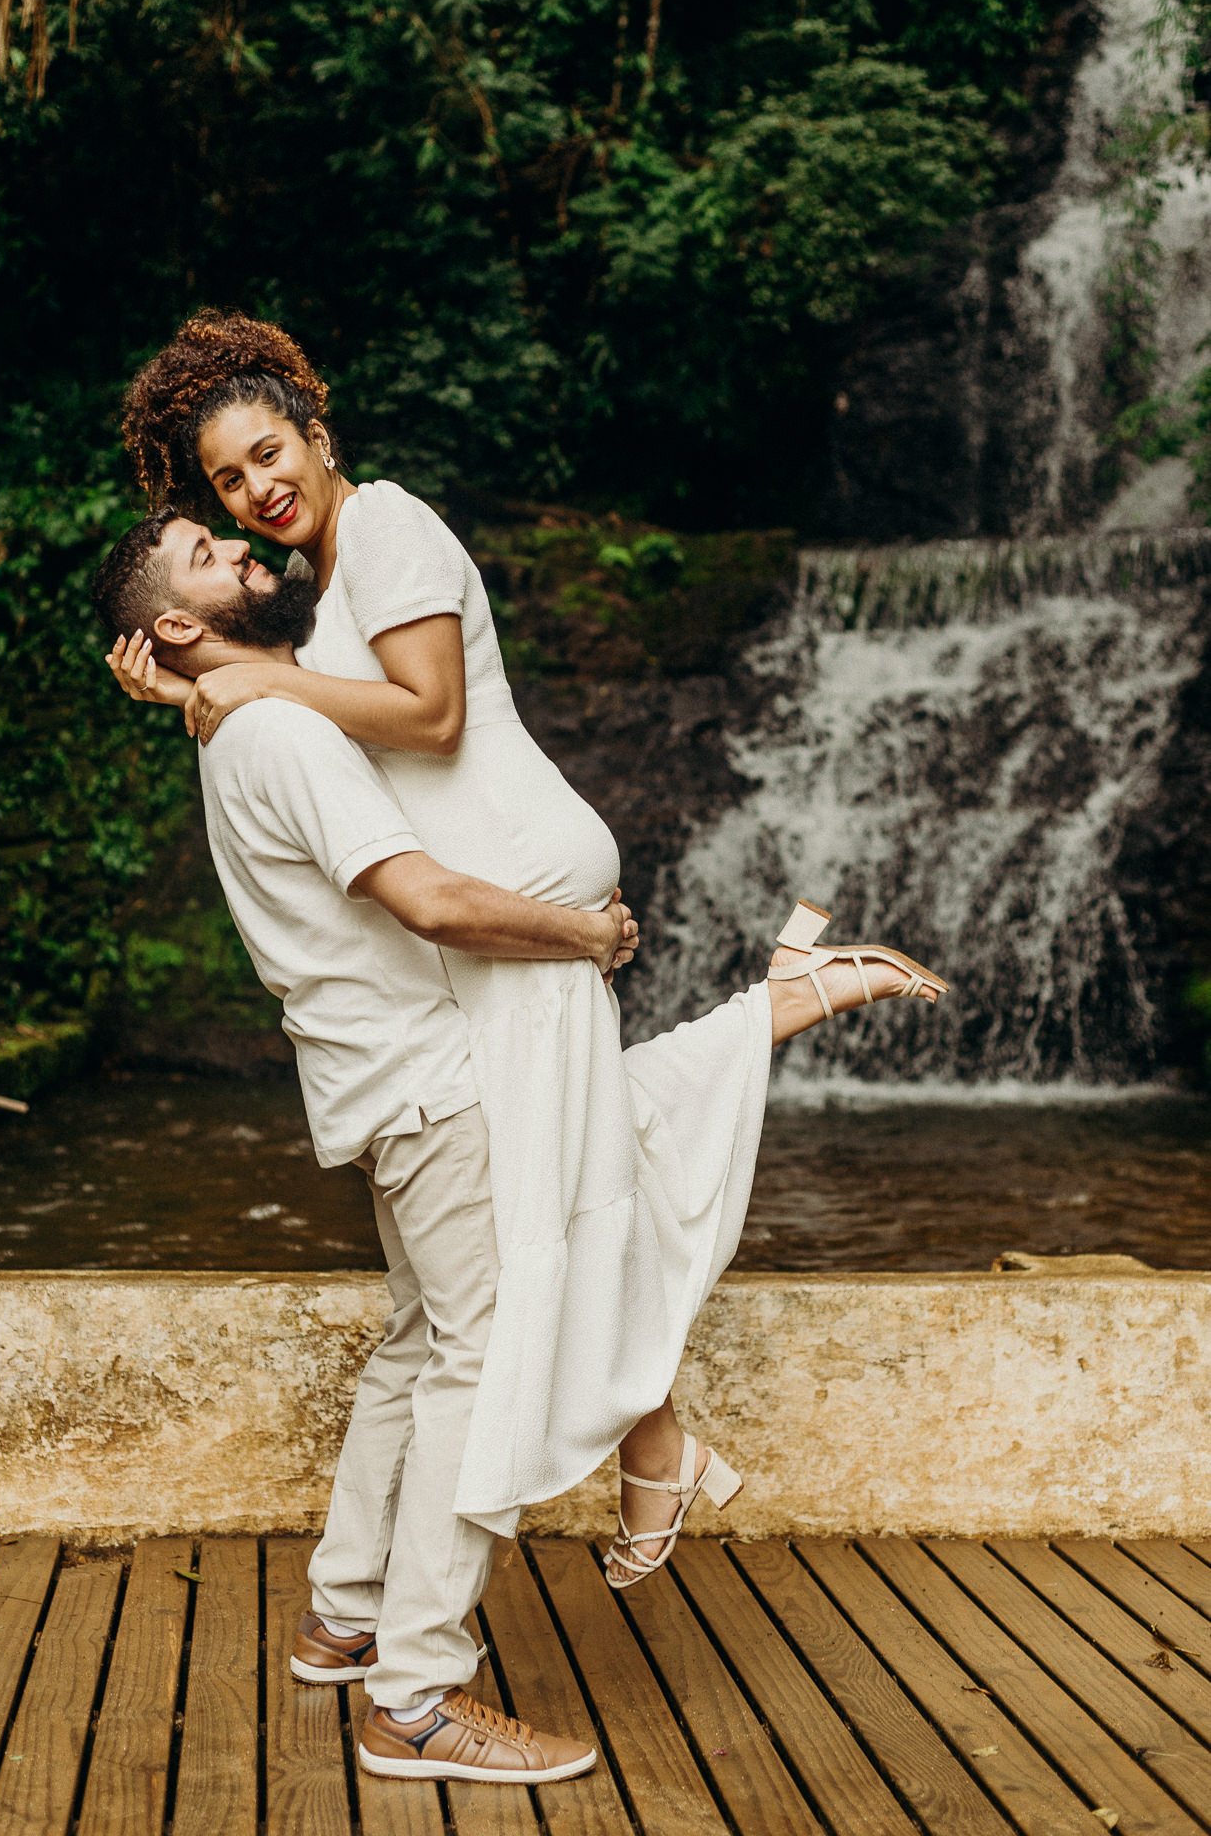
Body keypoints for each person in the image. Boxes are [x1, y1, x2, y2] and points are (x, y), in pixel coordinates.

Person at [92, 505, 948, 1780]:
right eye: (210, 556)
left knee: (422, 1336)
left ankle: (345, 1613)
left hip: (379, 1085)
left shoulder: (242, 723)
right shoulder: (279, 729)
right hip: (431, 1086)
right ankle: (416, 1694)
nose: (244, 547)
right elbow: (429, 899)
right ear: (173, 620)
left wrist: (193, 687)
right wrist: (588, 935)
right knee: (483, 1360)